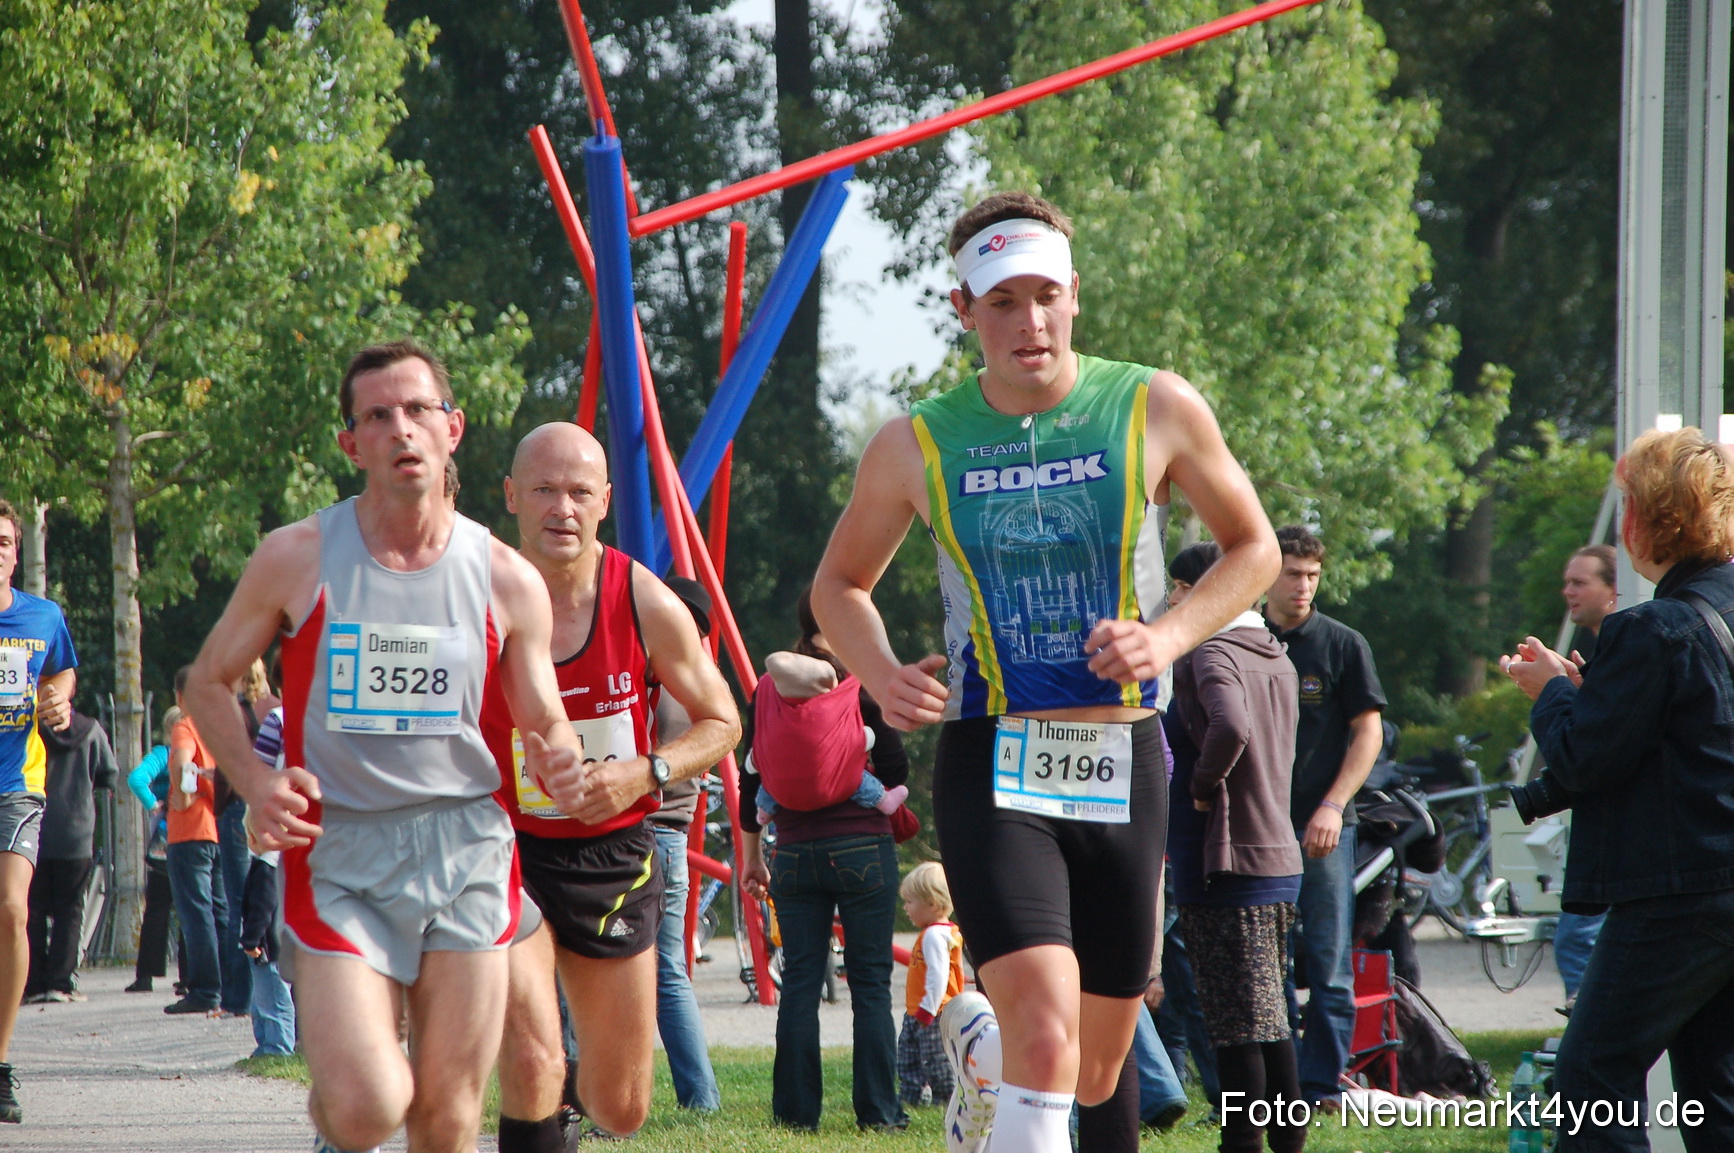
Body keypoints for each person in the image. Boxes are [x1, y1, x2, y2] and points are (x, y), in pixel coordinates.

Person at [810, 191, 1279, 1153]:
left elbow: (1253, 549)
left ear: (1076, 296)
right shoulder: (918, 442)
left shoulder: (1153, 403)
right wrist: (885, 674)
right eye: (1003, 302)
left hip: (1123, 753)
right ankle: (1006, 1056)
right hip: (993, 757)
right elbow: (838, 586)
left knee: (1100, 1065)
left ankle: (979, 1057)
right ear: (963, 310)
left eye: (1045, 297)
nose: (1029, 322)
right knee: (1050, 1037)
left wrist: (1168, 638)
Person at [182, 340, 585, 1153]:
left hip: (467, 844)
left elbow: (545, 715)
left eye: (418, 410)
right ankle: (338, 1116)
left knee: (446, 1119)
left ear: (453, 428)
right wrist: (257, 784)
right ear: (351, 443)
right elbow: (207, 681)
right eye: (378, 415)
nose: (401, 429)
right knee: (370, 1104)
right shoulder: (297, 556)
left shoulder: (506, 576)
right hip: (341, 851)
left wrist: (559, 752)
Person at [482, 422, 740, 1150]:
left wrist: (644, 771)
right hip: (502, 849)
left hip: (611, 856)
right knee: (534, 1059)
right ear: (510, 496)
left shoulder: (644, 598)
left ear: (606, 502)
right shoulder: (475, 593)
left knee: (619, 1106)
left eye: (578, 492)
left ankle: (565, 1112)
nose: (561, 507)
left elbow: (723, 720)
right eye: (542, 489)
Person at [1501, 427, 1734, 1153]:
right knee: (1716, 1087)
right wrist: (1586, 694)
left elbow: (1581, 758)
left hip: (1680, 887)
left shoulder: (1653, 627)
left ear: (1652, 516)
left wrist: (1550, 695)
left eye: (1628, 498)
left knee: (1591, 1070)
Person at [739, 588, 912, 1133]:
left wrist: (752, 860)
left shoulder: (770, 688)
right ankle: (879, 1114)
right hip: (862, 848)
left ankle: (794, 1116)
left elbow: (750, 785)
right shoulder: (860, 682)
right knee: (870, 982)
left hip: (790, 853)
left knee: (800, 982)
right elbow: (896, 766)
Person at [1168, 541, 1306, 1153]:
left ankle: (1241, 1139)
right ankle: (1286, 1134)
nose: (1171, 601)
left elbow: (1230, 726)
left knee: (1234, 1022)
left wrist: (1202, 787)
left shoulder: (1210, 651)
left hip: (1226, 857)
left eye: (1177, 588)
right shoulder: (1273, 652)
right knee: (1269, 1014)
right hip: (1276, 850)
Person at [1263, 525, 1385, 1109]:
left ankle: (1320, 1088)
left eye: (1313, 575)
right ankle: (1275, 1085)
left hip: (1326, 828)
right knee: (1267, 968)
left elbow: (1369, 731)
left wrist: (1333, 806)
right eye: (1293, 574)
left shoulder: (1343, 643)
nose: (1304, 585)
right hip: (1255, 828)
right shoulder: (1242, 638)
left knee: (1329, 964)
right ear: (1267, 573)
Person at [0, 497, 77, 1123]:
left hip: (17, 785)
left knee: (11, 909)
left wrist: (57, 704)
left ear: (15, 552)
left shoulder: (42, 618)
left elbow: (62, 678)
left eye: (2, 541)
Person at [647, 575, 723, 1113]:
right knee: (670, 970)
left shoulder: (663, 681)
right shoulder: (705, 683)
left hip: (643, 831)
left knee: (637, 971)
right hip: (674, 836)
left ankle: (596, 1095)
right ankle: (701, 1098)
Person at [1551, 544, 1616, 1012]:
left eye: (1580, 582)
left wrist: (1551, 695)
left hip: (1620, 833)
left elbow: (1598, 749)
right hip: (1603, 825)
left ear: (1615, 591)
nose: (1567, 591)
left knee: (1577, 940)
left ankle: (1587, 1021)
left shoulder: (1630, 641)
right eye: (1567, 581)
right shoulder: (1604, 646)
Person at [24, 704, 117, 1002]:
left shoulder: (27, 728)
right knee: (71, 908)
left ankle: (33, 981)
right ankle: (61, 981)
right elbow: (108, 774)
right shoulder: (90, 730)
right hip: (76, 831)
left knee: (32, 909)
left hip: (33, 828)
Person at [751, 649, 908, 825]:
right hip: (856, 828)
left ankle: (764, 810)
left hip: (793, 833)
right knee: (856, 775)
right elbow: (892, 767)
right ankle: (884, 800)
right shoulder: (844, 697)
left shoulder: (769, 705)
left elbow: (754, 763)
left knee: (770, 779)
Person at [164, 665, 227, 1015]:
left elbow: (184, 762)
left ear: (179, 697)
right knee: (221, 911)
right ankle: (231, 986)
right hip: (218, 829)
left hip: (190, 831)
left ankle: (204, 989)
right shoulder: (219, 729)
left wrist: (184, 793)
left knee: (196, 912)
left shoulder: (185, 725)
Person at [241, 699, 296, 1057]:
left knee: (273, 991)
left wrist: (250, 935)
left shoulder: (278, 720)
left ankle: (277, 1047)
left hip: (265, 942)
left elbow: (262, 894)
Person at [899, 861, 965, 1109]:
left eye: (910, 902)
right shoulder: (945, 931)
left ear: (932, 904)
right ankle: (913, 1096)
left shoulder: (934, 935)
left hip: (931, 1012)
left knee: (933, 1059)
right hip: (922, 1009)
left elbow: (938, 974)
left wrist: (927, 1009)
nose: (906, 908)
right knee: (910, 1056)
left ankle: (944, 1098)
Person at [124, 710, 181, 995]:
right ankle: (192, 976)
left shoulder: (162, 754)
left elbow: (136, 778)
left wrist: (152, 804)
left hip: (163, 841)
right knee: (192, 909)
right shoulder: (199, 752)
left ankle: (146, 974)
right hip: (193, 836)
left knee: (157, 908)